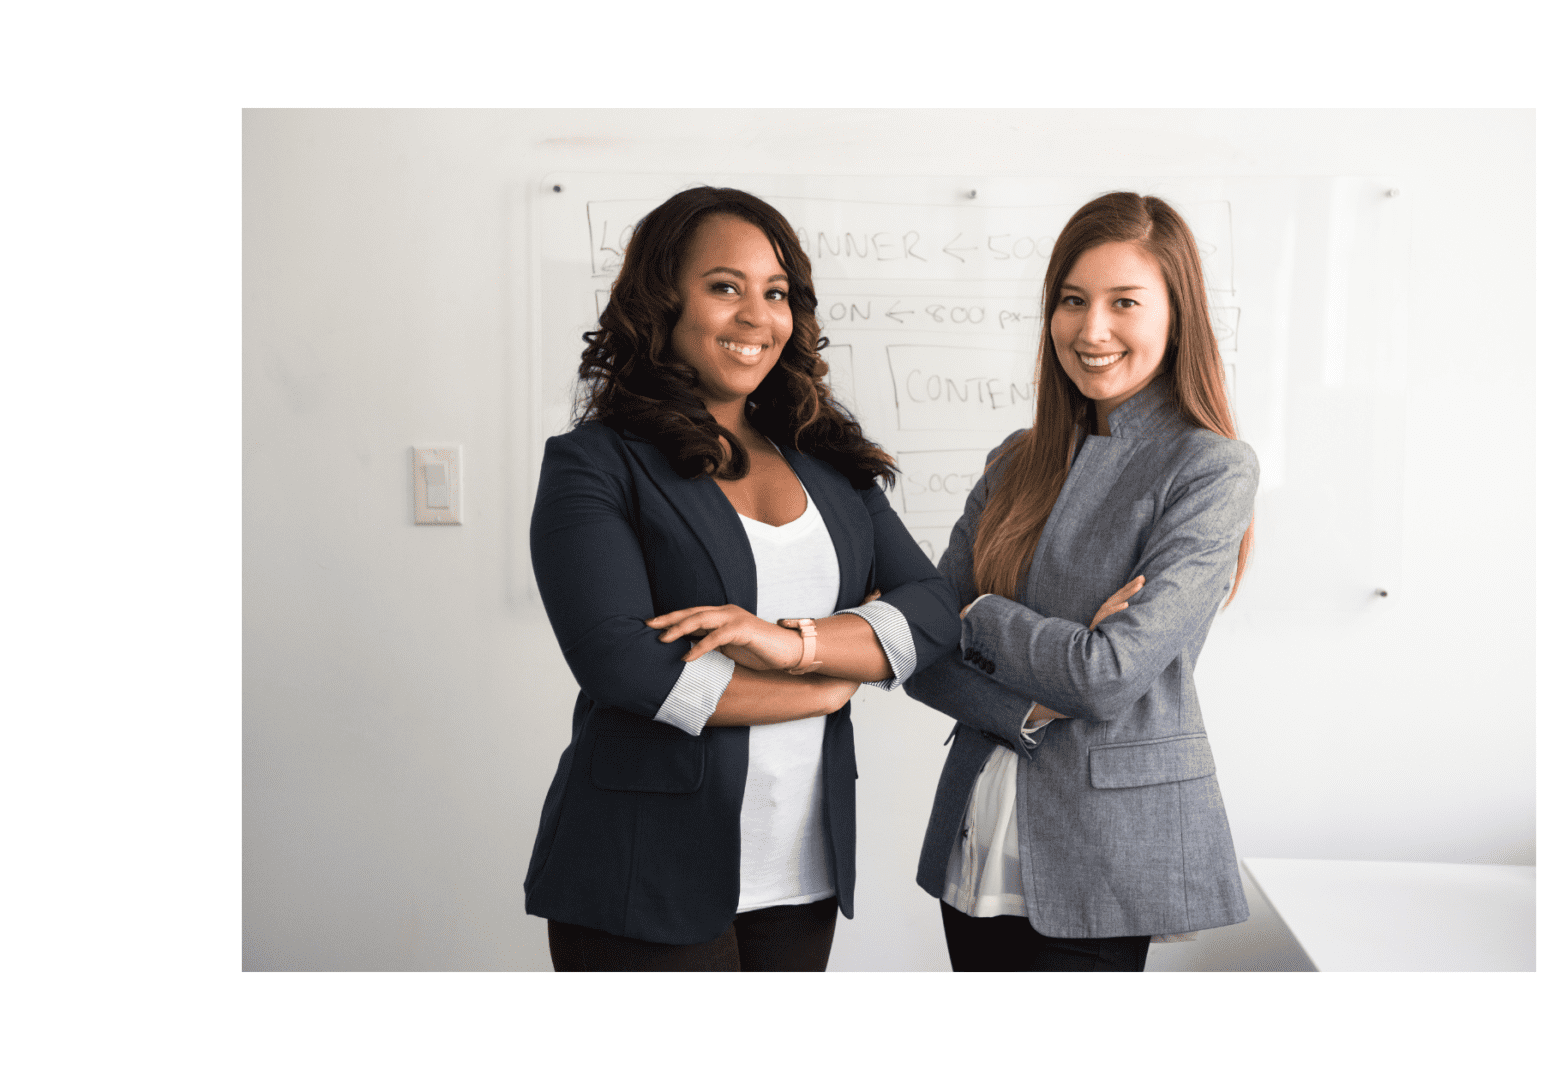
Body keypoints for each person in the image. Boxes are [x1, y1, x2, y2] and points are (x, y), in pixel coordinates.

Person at [523, 187, 958, 971]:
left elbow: (930, 611)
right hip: (641, 870)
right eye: (726, 287)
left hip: (801, 871)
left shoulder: (828, 459)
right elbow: (623, 664)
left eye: (776, 292)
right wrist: (825, 686)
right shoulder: (596, 463)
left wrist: (792, 646)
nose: (758, 316)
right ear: (663, 302)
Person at [902, 192, 1260, 971]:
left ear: (1177, 314)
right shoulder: (1013, 459)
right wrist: (1027, 699)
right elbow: (923, 653)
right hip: (976, 832)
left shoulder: (1209, 468)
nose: (1090, 329)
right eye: (1072, 301)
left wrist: (982, 614)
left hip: (1104, 850)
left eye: (1123, 302)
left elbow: (1107, 676)